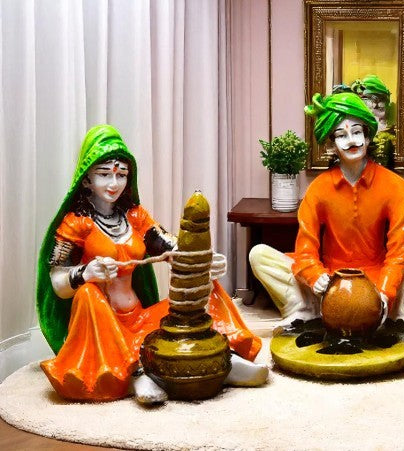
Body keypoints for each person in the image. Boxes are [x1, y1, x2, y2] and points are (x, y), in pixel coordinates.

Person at [37, 125, 268, 404]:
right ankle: (135, 373)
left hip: (138, 318)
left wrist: (203, 262)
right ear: (86, 179)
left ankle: (223, 357)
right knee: (87, 294)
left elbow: (172, 247)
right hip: (101, 326)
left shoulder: (134, 216)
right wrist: (85, 273)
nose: (114, 183)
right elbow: (57, 281)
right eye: (104, 174)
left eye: (121, 175)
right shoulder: (76, 223)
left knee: (206, 285)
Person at [249, 92, 404, 335]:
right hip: (331, 282)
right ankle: (303, 311)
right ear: (331, 145)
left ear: (368, 136)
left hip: (378, 280)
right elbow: (305, 250)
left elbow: (399, 252)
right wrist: (316, 277)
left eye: (356, 132)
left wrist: (385, 292)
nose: (351, 140)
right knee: (259, 254)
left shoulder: (396, 187)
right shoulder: (319, 188)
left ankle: (401, 316)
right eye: (341, 135)